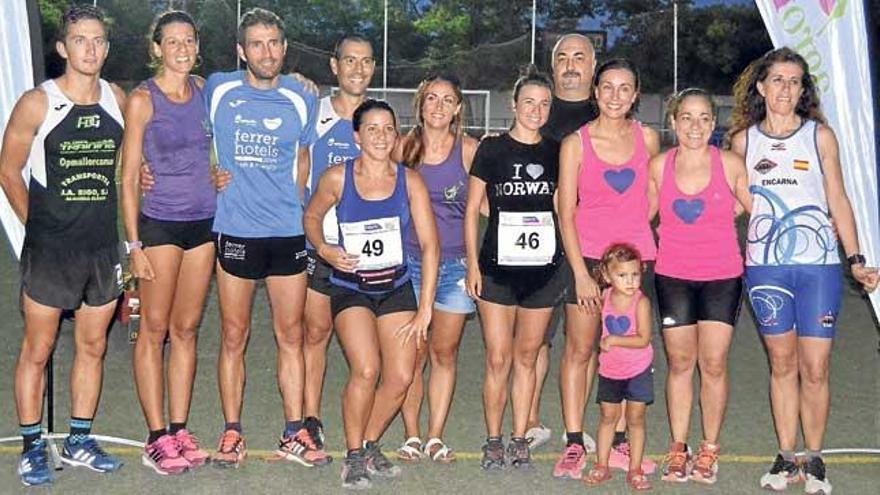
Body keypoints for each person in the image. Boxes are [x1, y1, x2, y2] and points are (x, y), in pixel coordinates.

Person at [729, 47, 878, 494]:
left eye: (794, 81)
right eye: (777, 80)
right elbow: (734, 204)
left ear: (802, 89)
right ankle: (785, 454)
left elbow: (838, 199)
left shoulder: (820, 137)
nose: (785, 89)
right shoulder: (742, 141)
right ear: (761, 86)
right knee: (782, 364)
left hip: (818, 268)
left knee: (815, 368)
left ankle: (813, 459)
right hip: (766, 268)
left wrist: (855, 259)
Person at [0, 5, 126, 486]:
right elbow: (8, 170)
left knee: (93, 347)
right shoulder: (38, 102)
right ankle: (32, 445)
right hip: (51, 251)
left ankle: (78, 439)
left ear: (107, 48)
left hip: (101, 249)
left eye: (97, 40)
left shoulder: (117, 97)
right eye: (80, 40)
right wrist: (40, 227)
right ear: (62, 48)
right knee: (38, 347)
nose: (90, 49)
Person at [204, 8, 326, 468]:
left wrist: (293, 205)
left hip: (287, 233)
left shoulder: (301, 96)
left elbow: (303, 158)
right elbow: (177, 126)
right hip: (235, 229)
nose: (267, 52)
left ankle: (295, 432)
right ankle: (232, 430)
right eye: (256, 44)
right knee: (234, 335)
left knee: (289, 335)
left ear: (285, 47)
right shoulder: (217, 88)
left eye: (274, 43)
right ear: (241, 51)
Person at [303, 99, 439, 490]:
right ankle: (353, 457)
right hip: (351, 288)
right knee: (366, 369)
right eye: (372, 129)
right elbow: (311, 217)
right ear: (357, 135)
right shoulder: (337, 178)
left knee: (400, 375)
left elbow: (429, 246)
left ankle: (368, 443)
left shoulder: (410, 180)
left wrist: (426, 307)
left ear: (397, 135)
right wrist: (325, 250)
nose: (381, 136)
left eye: (388, 128)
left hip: (395, 287)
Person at [554, 58, 659, 480]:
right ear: (595, 92)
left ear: (635, 95)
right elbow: (565, 211)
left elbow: (654, 194)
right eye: (608, 87)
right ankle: (576, 440)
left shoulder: (647, 137)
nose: (615, 96)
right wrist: (581, 272)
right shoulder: (574, 143)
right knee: (581, 350)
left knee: (625, 348)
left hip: (632, 266)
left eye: (625, 88)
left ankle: (616, 442)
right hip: (588, 261)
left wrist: (635, 235)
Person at [120, 10, 214, 475]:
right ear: (156, 47)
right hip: (158, 225)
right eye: (172, 41)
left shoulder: (205, 91)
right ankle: (155, 436)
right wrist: (132, 246)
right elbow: (127, 175)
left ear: (198, 46)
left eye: (189, 40)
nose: (182, 48)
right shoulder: (142, 99)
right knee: (153, 330)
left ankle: (179, 428)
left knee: (187, 329)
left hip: (204, 225)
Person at [465, 67, 566, 471]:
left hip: (543, 274)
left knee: (528, 357)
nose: (536, 111)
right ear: (514, 105)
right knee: (498, 358)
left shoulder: (558, 151)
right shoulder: (491, 149)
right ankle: (493, 438)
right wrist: (472, 264)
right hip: (496, 273)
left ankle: (519, 437)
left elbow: (564, 210)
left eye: (544, 104)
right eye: (529, 102)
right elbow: (473, 209)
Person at [647, 88, 750, 484]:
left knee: (713, 364)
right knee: (679, 364)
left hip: (722, 277)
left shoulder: (730, 164)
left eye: (704, 117)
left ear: (714, 123)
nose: (695, 125)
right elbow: (639, 217)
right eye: (686, 117)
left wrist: (818, 219)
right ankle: (678, 446)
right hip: (673, 276)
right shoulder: (659, 166)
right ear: (673, 123)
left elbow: (759, 210)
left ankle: (708, 448)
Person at [393, 74, 479, 463]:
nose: (439, 107)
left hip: (456, 267)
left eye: (448, 100)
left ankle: (434, 436)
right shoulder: (401, 148)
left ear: (458, 107)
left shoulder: (470, 151)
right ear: (420, 104)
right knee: (414, 353)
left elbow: (490, 204)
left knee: (445, 352)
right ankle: (411, 435)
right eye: (432, 98)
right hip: (408, 263)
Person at [300, 34, 376, 460]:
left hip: (370, 253)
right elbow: (301, 169)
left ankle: (365, 424)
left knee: (365, 343)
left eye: (365, 61)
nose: (358, 69)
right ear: (334, 65)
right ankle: (311, 419)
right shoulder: (315, 113)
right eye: (350, 60)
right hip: (322, 247)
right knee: (316, 333)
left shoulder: (379, 119)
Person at [527, 33, 598, 451]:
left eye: (579, 57)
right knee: (535, 341)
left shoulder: (606, 112)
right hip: (536, 245)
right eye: (563, 58)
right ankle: (531, 420)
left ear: (593, 64)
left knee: (583, 342)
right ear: (553, 66)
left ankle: (577, 423)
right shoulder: (538, 111)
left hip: (589, 245)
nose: (571, 65)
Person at [581, 244, 654, 491]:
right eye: (622, 276)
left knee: (635, 418)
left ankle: (635, 468)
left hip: (637, 370)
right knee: (608, 417)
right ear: (607, 275)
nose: (630, 281)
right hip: (610, 370)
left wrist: (614, 340)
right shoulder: (605, 296)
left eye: (635, 275)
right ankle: (602, 464)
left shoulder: (641, 303)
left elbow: (643, 339)